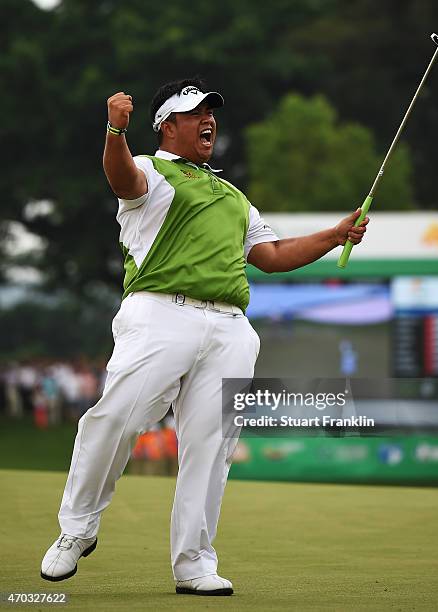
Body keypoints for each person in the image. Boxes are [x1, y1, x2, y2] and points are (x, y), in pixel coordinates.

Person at [40, 78, 368, 595]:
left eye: (210, 112)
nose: (208, 119)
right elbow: (121, 178)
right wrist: (114, 131)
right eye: (195, 113)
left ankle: (194, 563)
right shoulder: (151, 169)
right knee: (116, 418)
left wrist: (335, 234)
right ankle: (76, 529)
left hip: (231, 327)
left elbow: (274, 257)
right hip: (159, 315)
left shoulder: (236, 198)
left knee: (211, 447)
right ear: (168, 126)